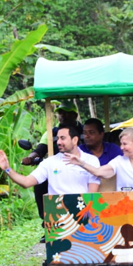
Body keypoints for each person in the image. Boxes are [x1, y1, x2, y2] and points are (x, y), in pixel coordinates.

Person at [22, 101, 83, 238]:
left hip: (79, 167)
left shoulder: (83, 130)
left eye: (66, 113)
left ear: (74, 115)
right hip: (56, 169)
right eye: (60, 113)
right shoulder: (51, 132)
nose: (62, 116)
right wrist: (31, 158)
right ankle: (48, 223)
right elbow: (40, 149)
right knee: (40, 186)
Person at [0, 123, 100, 196]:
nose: (58, 142)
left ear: (75, 140)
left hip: (83, 213)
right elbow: (26, 182)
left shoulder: (91, 161)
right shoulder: (49, 162)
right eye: (57, 138)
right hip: (57, 215)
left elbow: (92, 195)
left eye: (63, 138)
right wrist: (7, 169)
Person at [65, 128, 133, 191]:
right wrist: (81, 163)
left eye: (125, 144)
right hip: (122, 207)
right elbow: (98, 172)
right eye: (121, 144)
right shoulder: (119, 161)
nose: (121, 147)